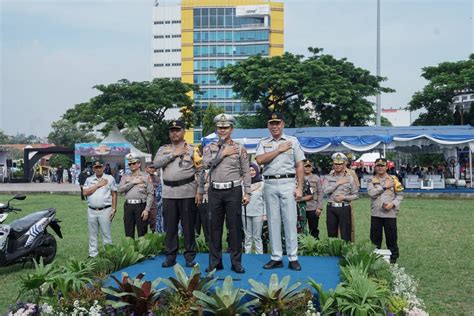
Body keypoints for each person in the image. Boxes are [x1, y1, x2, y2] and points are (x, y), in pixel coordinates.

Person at [255, 112, 305, 271]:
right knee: (273, 221)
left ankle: (293, 257)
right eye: (272, 123)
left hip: (288, 182)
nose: (275, 126)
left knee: (290, 221)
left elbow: (300, 165)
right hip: (269, 182)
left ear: (283, 124)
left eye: (277, 123)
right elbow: (259, 160)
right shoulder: (263, 142)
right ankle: (276, 257)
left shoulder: (292, 141)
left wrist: (300, 187)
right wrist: (279, 150)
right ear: (268, 126)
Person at [202, 114, 251, 274]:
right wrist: (223, 153)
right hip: (215, 190)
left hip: (233, 191)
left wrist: (248, 192)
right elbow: (206, 164)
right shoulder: (210, 148)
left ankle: (236, 262)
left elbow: (246, 171)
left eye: (226, 127)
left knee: (235, 228)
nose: (222, 130)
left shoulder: (239, 148)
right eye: (220, 127)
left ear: (232, 129)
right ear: (216, 129)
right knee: (214, 228)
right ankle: (215, 262)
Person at [154, 120, 203, 268]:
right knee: (170, 227)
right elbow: (155, 164)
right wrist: (173, 154)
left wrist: (200, 191)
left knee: (188, 227)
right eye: (172, 130)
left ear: (183, 132)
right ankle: (170, 256)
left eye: (177, 130)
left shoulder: (192, 149)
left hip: (187, 191)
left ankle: (189, 256)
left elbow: (200, 170)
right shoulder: (164, 149)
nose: (174, 133)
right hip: (169, 193)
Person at [367, 158, 404, 264]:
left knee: (392, 239)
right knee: (375, 240)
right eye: (378, 166)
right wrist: (384, 187)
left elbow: (400, 195)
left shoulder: (394, 179)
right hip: (376, 214)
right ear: (375, 167)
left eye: (382, 166)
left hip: (390, 214)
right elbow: (371, 193)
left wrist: (393, 204)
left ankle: (393, 261)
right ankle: (374, 261)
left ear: (386, 167)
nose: (380, 168)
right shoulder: (371, 180)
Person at [82, 160, 118, 258]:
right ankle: (92, 254)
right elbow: (85, 193)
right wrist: (98, 185)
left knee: (106, 233)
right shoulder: (89, 179)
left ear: (104, 167)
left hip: (105, 209)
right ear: (93, 168)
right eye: (96, 167)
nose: (98, 169)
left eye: (100, 167)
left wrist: (114, 209)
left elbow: (114, 194)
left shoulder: (110, 178)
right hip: (91, 210)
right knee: (92, 234)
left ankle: (108, 254)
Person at [322, 153, 359, 242]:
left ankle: (345, 254)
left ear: (344, 164)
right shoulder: (328, 177)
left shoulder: (350, 178)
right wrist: (338, 183)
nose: (337, 166)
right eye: (335, 164)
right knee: (331, 235)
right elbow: (325, 191)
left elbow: (356, 195)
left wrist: (344, 197)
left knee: (346, 234)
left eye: (340, 164)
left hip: (344, 207)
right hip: (331, 208)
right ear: (333, 164)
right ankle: (333, 254)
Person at [118, 154, 154, 239]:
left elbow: (150, 194)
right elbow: (120, 190)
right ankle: (131, 251)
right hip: (128, 206)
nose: (131, 165)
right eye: (130, 164)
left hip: (141, 205)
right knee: (128, 231)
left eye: (134, 163)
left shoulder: (146, 176)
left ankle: (142, 251)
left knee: (142, 231)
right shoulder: (125, 176)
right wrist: (133, 182)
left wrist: (147, 210)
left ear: (139, 164)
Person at [242, 163, 265, 254]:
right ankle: (247, 255)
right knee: (248, 237)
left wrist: (265, 213)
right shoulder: (243, 183)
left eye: (253, 170)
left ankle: (259, 255)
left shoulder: (262, 184)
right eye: (250, 170)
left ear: (257, 171)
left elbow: (265, 199)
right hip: (245, 212)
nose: (251, 172)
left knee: (257, 237)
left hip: (258, 213)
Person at [302, 160, 323, 239]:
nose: (307, 168)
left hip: (313, 207)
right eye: (305, 166)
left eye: (309, 166)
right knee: (300, 229)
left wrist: (319, 207)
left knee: (314, 229)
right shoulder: (298, 177)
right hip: (301, 207)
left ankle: (315, 247)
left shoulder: (316, 178)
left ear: (312, 168)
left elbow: (320, 193)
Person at [145, 162, 160, 233]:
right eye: (150, 167)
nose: (152, 169)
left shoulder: (157, 178)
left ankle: (153, 238)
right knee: (143, 222)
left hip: (154, 203)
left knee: (154, 221)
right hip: (144, 202)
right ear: (146, 168)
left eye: (153, 168)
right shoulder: (142, 177)